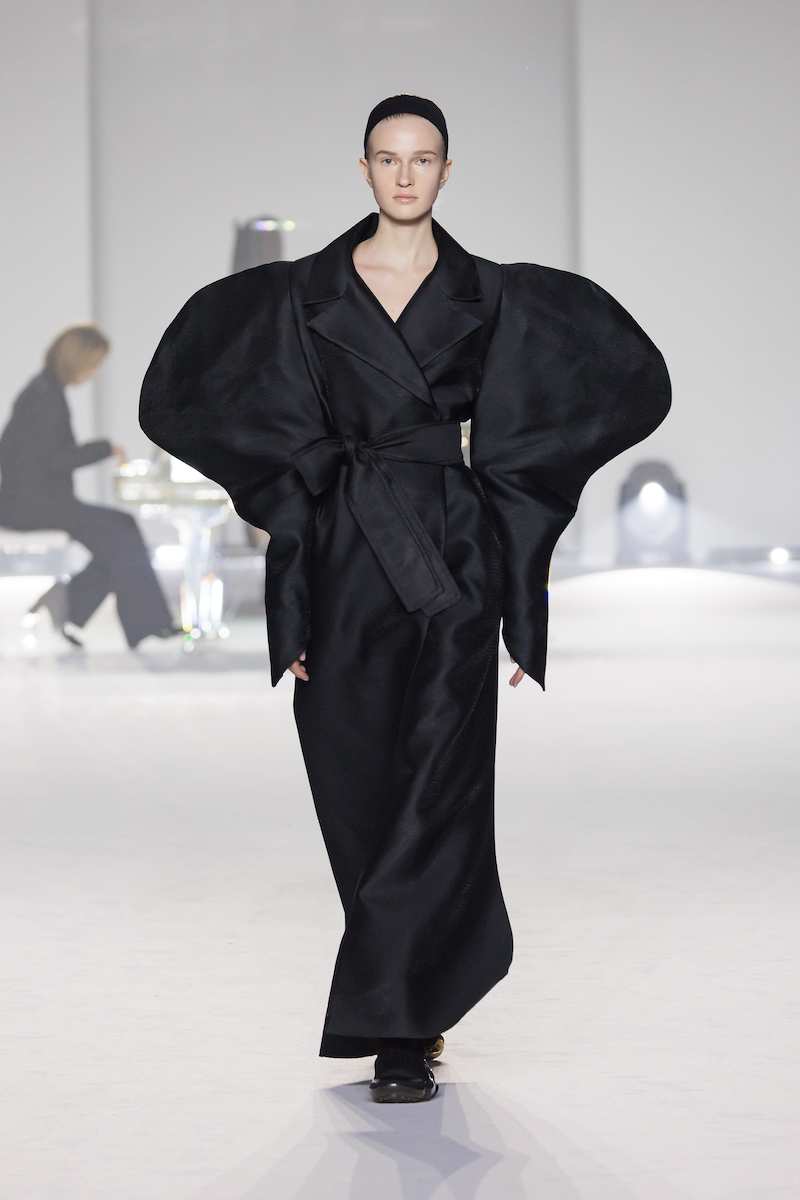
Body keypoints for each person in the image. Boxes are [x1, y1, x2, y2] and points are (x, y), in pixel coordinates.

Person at [140, 96, 671, 1102]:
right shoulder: (301, 294)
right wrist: (293, 565)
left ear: (445, 171)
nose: (404, 176)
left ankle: (401, 1027)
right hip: (343, 555)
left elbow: (622, 386)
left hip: (453, 558)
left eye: (422, 159)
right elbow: (181, 398)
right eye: (387, 159)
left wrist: (509, 532)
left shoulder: (494, 294)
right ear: (364, 168)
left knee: (441, 784)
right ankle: (406, 985)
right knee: (354, 786)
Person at [0, 323, 178, 649]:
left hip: (34, 502)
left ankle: (71, 603)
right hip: (33, 508)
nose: (94, 373)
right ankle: (142, 623)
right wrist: (104, 448)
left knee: (120, 536)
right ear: (76, 360)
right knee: (121, 533)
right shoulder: (44, 398)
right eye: (93, 365)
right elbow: (56, 459)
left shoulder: (41, 391)